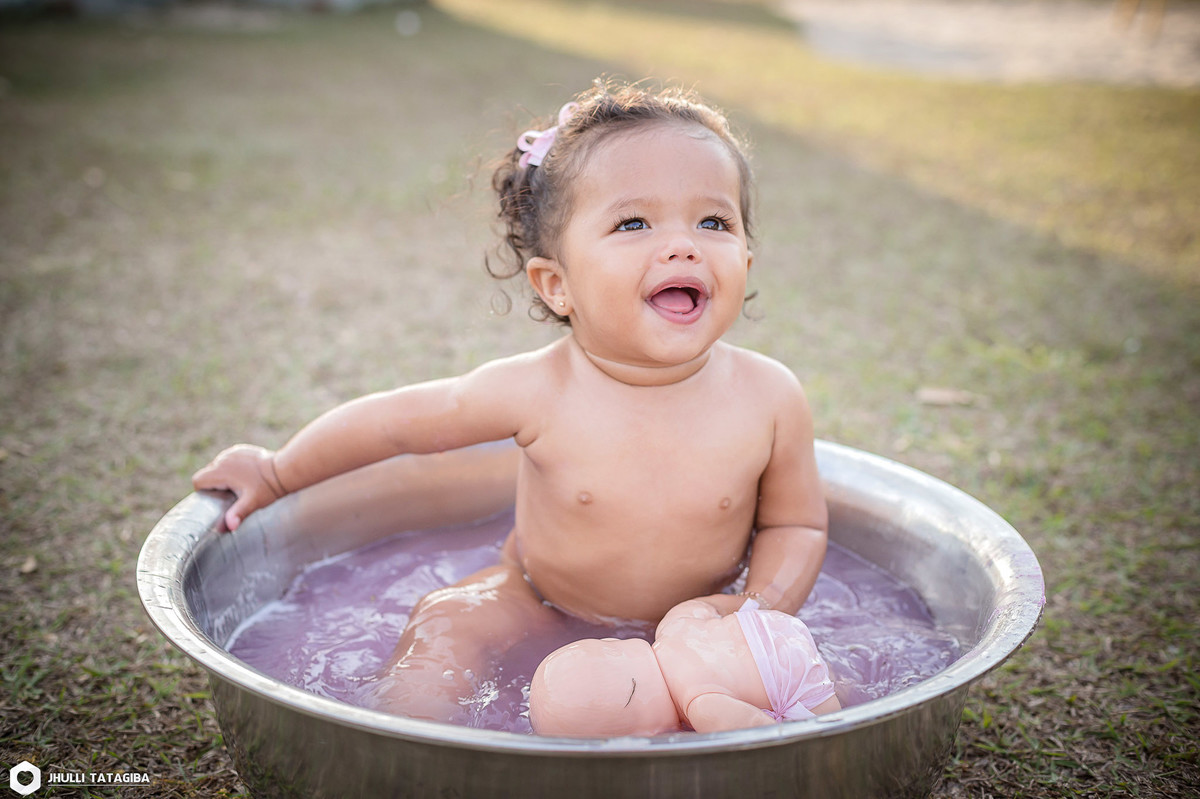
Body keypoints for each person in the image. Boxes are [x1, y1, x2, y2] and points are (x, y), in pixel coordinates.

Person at [192, 79, 829, 724]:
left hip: (704, 618)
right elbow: (393, 426)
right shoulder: (539, 389)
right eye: (633, 222)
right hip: (536, 596)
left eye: (714, 221)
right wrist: (276, 472)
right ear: (557, 285)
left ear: (746, 255)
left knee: (770, 681)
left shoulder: (769, 397)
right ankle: (413, 742)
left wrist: (754, 608)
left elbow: (795, 525)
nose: (683, 243)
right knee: (445, 620)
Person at [529, 597, 841, 736]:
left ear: (647, 735)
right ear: (615, 644)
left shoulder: (701, 705)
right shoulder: (672, 626)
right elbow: (704, 606)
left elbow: (763, 736)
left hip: (794, 677)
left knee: (827, 722)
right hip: (773, 626)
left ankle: (838, 690)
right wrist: (749, 607)